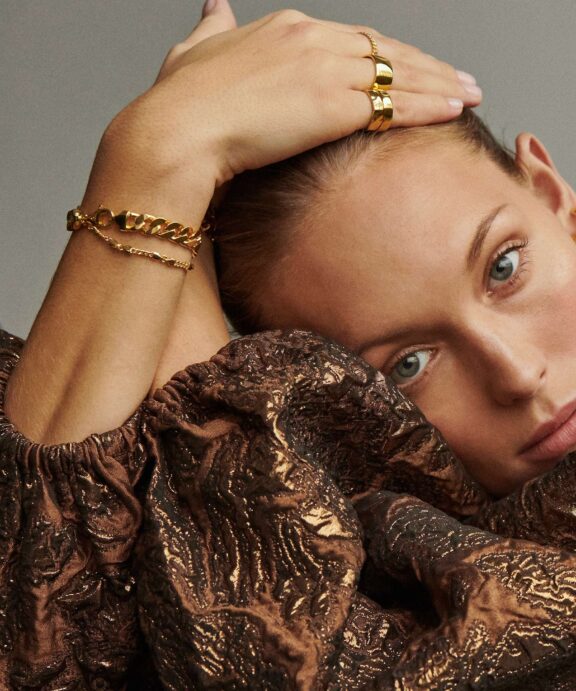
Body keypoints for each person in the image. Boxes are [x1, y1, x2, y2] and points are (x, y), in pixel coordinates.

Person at [0, 1, 576, 688]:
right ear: (325, 424)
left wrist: (167, 157)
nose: (517, 372)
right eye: (410, 363)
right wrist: (160, 155)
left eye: (504, 267)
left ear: (556, 197)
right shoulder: (341, 579)